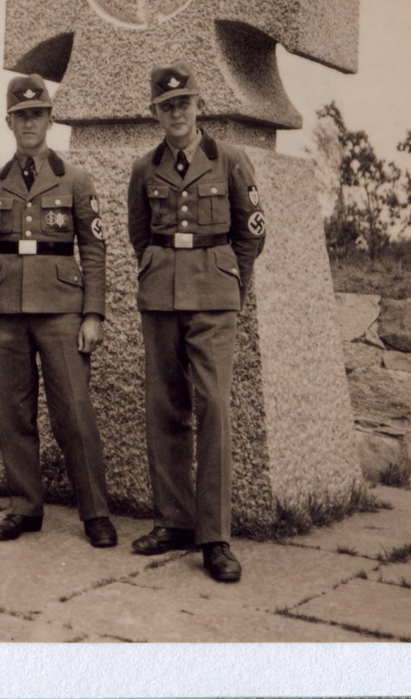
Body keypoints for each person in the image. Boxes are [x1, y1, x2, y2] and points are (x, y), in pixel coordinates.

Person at [127, 61, 265, 581]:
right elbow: (139, 234)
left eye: (184, 103)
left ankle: (215, 537)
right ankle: (174, 522)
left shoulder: (229, 160)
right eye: (166, 106)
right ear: (155, 114)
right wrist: (160, 272)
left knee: (214, 408)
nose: (176, 112)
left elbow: (251, 233)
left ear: (199, 106)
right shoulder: (144, 168)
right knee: (164, 407)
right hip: (160, 295)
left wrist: (233, 288)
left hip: (214, 296)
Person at [0, 74, 117, 548]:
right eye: (20, 115)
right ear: (9, 122)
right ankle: (24, 508)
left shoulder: (75, 179)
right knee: (13, 413)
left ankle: (95, 512)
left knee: (73, 410)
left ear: (50, 119)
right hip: (6, 309)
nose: (29, 123)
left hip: (61, 310)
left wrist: (93, 312)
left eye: (37, 114)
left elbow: (94, 249)